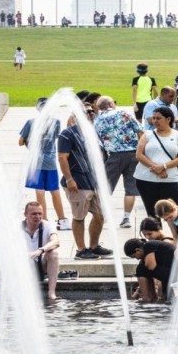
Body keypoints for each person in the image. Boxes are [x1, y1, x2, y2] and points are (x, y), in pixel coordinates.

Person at [58, 106, 113, 260]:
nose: (90, 114)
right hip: (77, 181)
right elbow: (62, 157)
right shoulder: (68, 134)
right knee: (79, 216)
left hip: (93, 181)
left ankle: (94, 246)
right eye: (86, 112)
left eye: (92, 111)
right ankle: (81, 250)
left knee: (100, 215)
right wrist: (69, 179)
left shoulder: (93, 132)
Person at [19, 98, 70, 230]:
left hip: (35, 160)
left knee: (40, 191)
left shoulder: (31, 122)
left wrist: (30, 145)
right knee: (54, 190)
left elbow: (20, 141)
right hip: (50, 159)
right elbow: (58, 138)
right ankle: (62, 219)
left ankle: (44, 220)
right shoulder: (56, 122)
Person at [94, 96, 144, 229]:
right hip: (133, 154)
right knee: (130, 189)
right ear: (111, 104)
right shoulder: (124, 114)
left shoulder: (97, 120)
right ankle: (126, 218)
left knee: (105, 187)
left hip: (114, 156)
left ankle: (102, 215)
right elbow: (141, 131)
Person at [134, 107, 178, 218]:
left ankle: (176, 235)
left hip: (171, 179)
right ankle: (156, 235)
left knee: (175, 214)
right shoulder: (147, 134)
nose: (155, 121)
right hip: (146, 179)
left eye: (159, 118)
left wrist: (163, 166)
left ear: (168, 119)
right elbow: (139, 155)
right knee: (152, 214)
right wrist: (156, 168)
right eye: (153, 118)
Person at [22, 201, 61, 300]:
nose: (37, 216)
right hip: (24, 267)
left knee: (54, 254)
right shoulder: (17, 227)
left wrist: (41, 250)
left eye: (40, 214)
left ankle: (51, 292)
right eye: (34, 214)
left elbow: (56, 241)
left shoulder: (47, 225)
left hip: (41, 265)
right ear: (25, 215)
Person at [124, 238, 176, 302]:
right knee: (166, 300)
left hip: (173, 274)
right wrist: (137, 291)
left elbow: (151, 266)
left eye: (134, 256)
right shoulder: (151, 247)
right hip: (171, 274)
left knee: (141, 269)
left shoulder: (148, 245)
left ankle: (147, 299)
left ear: (138, 250)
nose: (137, 259)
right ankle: (152, 299)